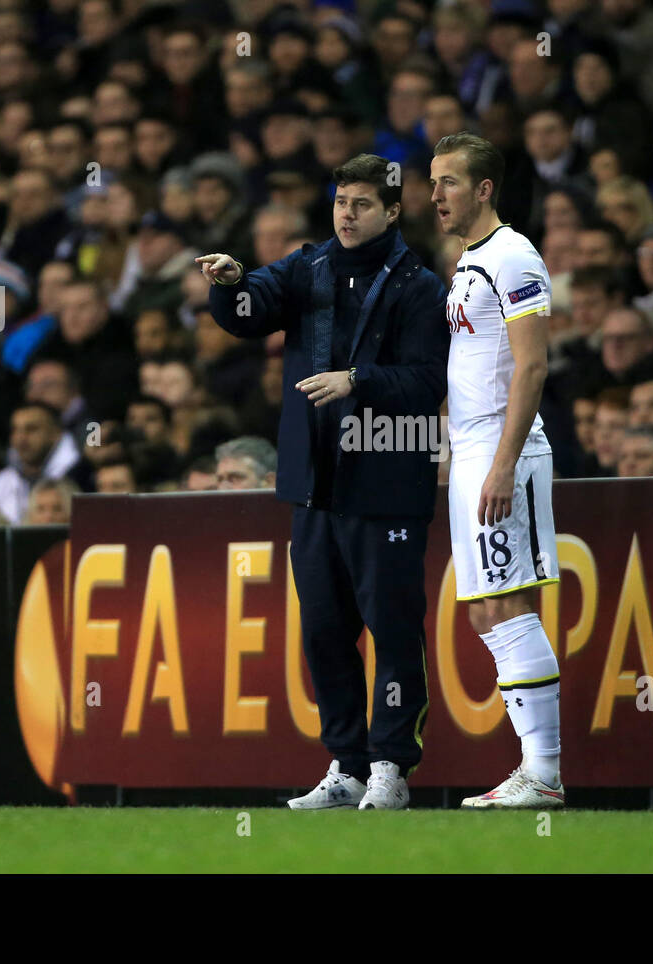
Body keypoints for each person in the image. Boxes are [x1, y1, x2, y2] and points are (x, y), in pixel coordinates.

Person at [199, 153, 449, 811]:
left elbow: (429, 381)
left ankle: (392, 765)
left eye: (363, 204)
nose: (347, 213)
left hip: (386, 483)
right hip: (315, 484)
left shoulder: (419, 287)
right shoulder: (306, 269)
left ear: (393, 211)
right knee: (324, 632)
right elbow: (250, 312)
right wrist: (230, 284)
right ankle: (347, 766)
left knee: (392, 630)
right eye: (341, 202)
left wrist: (357, 381)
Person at [430, 132, 563, 808]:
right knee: (486, 614)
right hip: (474, 448)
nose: (435, 196)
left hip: (503, 450)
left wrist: (503, 462)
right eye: (433, 182)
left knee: (508, 607)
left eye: (449, 182)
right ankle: (533, 769)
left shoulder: (513, 257)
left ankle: (543, 771)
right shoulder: (467, 260)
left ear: (484, 189)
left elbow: (532, 364)